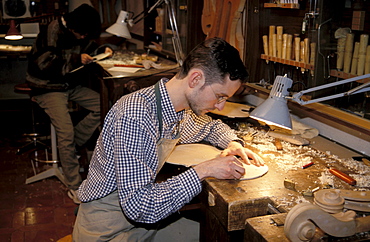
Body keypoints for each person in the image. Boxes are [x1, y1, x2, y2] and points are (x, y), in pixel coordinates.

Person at [73, 37, 264, 241]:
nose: (221, 107)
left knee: (216, 236)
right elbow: (139, 207)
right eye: (220, 96)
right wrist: (204, 170)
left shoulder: (177, 110)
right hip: (108, 229)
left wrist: (234, 143)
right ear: (195, 79)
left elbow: (211, 127)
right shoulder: (135, 115)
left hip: (142, 224)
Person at [26, 4, 113, 203]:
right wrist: (75, 59)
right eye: (81, 34)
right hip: (46, 86)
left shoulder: (79, 30)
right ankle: (75, 186)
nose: (82, 38)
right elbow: (43, 64)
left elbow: (88, 47)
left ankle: (73, 145)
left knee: (103, 106)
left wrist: (102, 50)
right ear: (73, 27)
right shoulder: (53, 30)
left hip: (65, 84)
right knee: (65, 132)